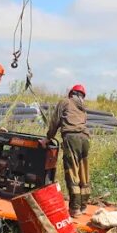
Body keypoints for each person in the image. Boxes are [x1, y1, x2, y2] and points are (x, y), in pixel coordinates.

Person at [46, 84, 91, 217]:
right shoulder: (83, 108)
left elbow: (55, 121)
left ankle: (75, 208)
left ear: (71, 93)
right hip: (85, 139)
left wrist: (48, 138)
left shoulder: (65, 102)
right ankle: (83, 206)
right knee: (84, 173)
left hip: (72, 138)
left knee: (72, 172)